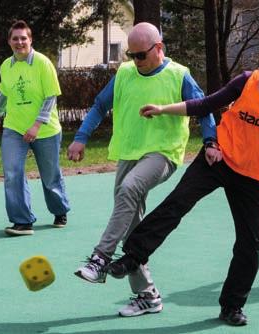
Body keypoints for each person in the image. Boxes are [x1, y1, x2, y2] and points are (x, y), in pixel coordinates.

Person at [104, 40, 259, 326]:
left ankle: (231, 306)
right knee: (177, 203)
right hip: (219, 160)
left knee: (250, 244)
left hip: (253, 177)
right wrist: (163, 109)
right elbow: (205, 103)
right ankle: (132, 257)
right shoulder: (246, 82)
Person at [68, 22, 217, 317]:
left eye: (140, 55)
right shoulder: (124, 73)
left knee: (129, 189)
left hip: (163, 153)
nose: (135, 61)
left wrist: (211, 140)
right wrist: (80, 137)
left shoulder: (179, 74)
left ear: (158, 48)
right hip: (128, 153)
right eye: (130, 55)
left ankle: (100, 258)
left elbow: (203, 107)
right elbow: (99, 106)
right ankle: (147, 295)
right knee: (131, 226)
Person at [0, 20, 70, 236]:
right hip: (14, 128)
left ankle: (60, 210)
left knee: (50, 175)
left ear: (30, 40)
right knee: (12, 172)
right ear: (9, 41)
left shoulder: (43, 63)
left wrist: (36, 126)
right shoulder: (6, 66)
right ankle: (22, 221)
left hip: (45, 130)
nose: (19, 42)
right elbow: (4, 92)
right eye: (15, 38)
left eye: (23, 38)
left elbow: (50, 97)